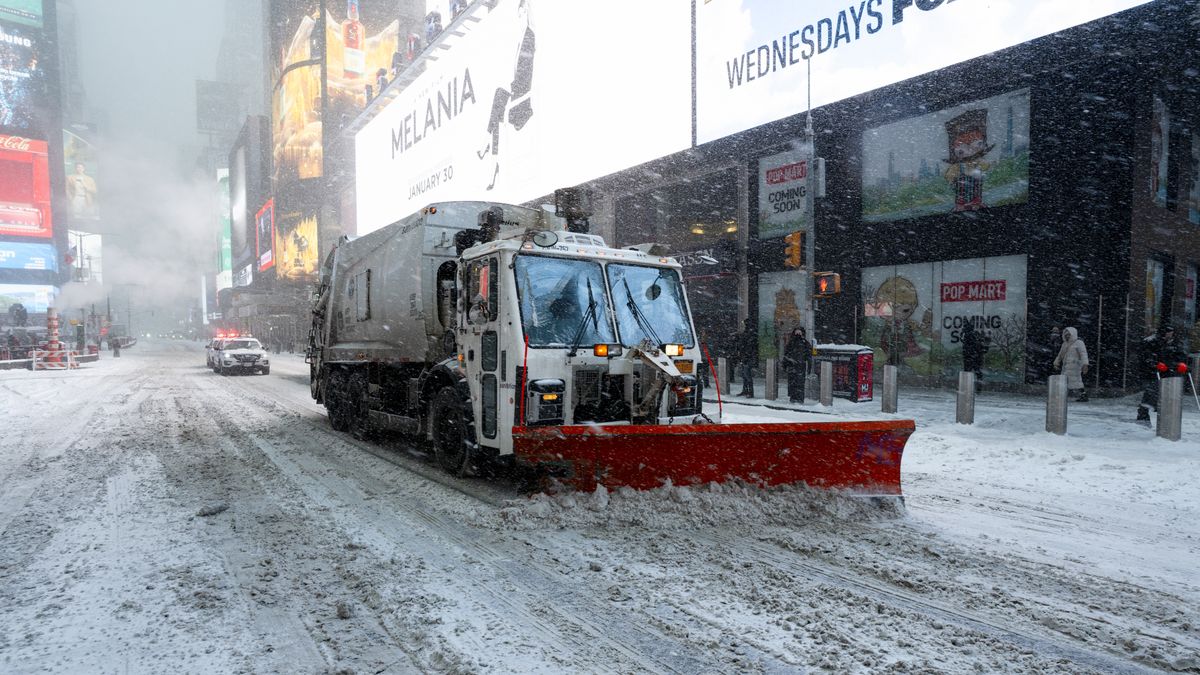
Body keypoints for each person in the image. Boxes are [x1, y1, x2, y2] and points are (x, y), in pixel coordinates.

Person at [1136, 324, 1187, 424]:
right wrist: (1155, 364)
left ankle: (1161, 411)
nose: (1170, 335)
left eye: (1171, 333)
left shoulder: (1174, 342)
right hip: (1152, 372)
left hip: (1168, 371)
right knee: (1152, 390)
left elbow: (1180, 355)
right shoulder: (1150, 341)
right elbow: (1145, 357)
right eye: (1168, 333)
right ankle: (1144, 412)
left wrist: (1181, 363)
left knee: (1164, 391)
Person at [1052, 326, 1088, 402]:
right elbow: (1060, 354)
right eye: (1066, 334)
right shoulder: (1065, 344)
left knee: (1076, 380)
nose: (1067, 336)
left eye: (1069, 334)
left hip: (1075, 366)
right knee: (1065, 380)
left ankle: (1083, 395)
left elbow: (1083, 354)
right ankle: (1063, 395)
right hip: (1066, 366)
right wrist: (1056, 362)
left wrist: (1085, 364)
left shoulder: (1079, 343)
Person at [782, 327, 813, 403]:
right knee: (793, 383)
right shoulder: (791, 343)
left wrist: (809, 368)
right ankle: (793, 398)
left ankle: (799, 399)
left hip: (800, 366)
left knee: (799, 383)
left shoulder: (805, 343)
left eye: (799, 332)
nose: (798, 334)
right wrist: (785, 365)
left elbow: (809, 356)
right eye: (797, 332)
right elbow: (786, 354)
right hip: (793, 366)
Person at [735, 318, 757, 397]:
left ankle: (750, 392)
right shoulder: (749, 332)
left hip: (747, 357)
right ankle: (746, 390)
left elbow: (749, 346)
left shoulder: (750, 333)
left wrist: (745, 355)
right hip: (745, 356)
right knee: (745, 375)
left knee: (747, 375)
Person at [961, 321, 987, 387]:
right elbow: (975, 345)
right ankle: (978, 386)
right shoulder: (972, 335)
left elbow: (967, 345)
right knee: (977, 372)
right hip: (973, 357)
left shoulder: (967, 335)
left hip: (970, 356)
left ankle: (967, 386)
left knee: (968, 372)